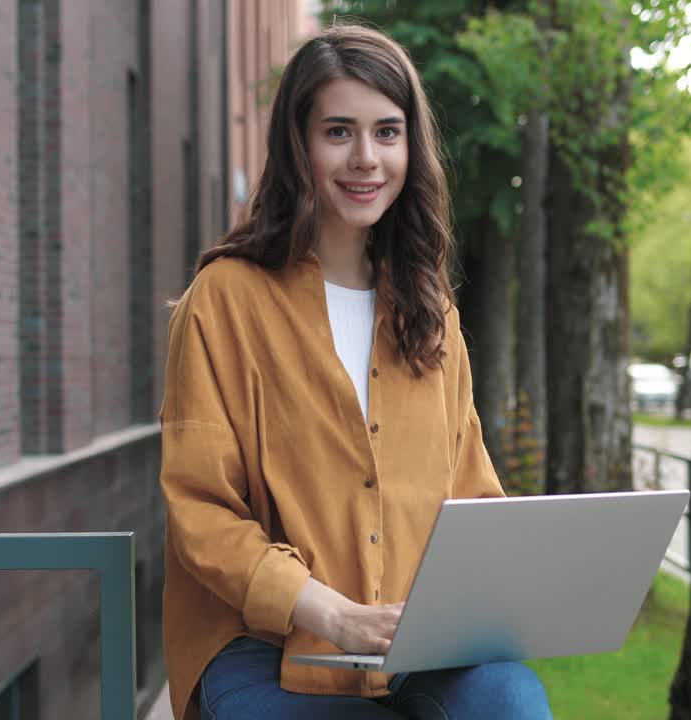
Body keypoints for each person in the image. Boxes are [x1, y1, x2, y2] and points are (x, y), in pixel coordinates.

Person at [159, 22, 552, 720]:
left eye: (387, 132)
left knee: (512, 701)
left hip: (413, 640)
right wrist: (331, 614)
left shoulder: (432, 309)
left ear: (411, 146)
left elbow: (472, 494)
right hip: (265, 643)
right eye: (339, 131)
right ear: (298, 144)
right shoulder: (222, 301)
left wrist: (509, 590)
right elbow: (201, 510)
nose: (366, 158)